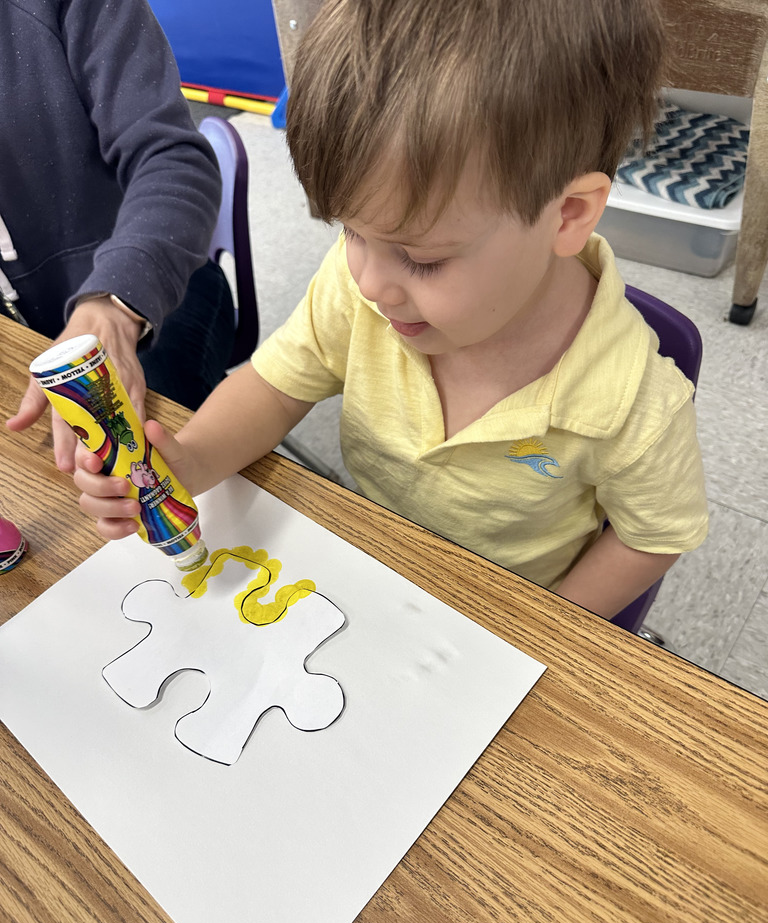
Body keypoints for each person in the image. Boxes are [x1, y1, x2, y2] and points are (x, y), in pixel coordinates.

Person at [73, 0, 709, 620]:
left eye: (422, 258)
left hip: (500, 615)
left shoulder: (635, 405)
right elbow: (274, 387)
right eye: (350, 232)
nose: (371, 282)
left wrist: (545, 635)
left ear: (568, 214)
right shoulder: (357, 290)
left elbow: (653, 536)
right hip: (368, 573)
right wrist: (191, 461)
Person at [2, 0, 236, 472]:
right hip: (24, 337)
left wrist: (115, 303)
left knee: (151, 470)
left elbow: (174, 159)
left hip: (147, 291)